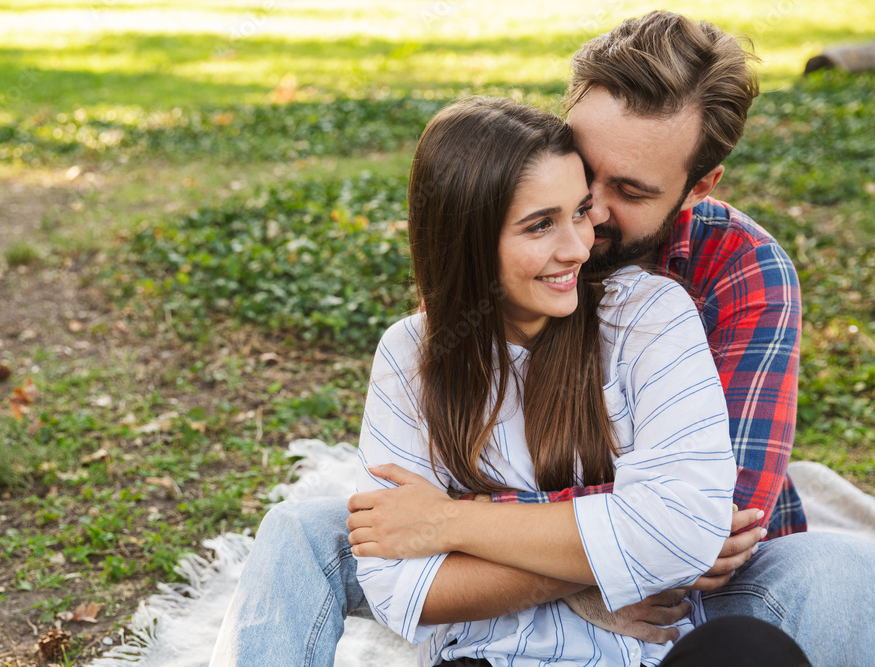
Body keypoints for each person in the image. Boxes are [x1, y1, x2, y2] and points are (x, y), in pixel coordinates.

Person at [211, 11, 875, 667]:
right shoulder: (497, 266)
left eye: (629, 189)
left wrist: (457, 522)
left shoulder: (736, 275)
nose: (591, 217)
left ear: (697, 187)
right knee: (301, 531)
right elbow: (451, 458)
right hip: (514, 580)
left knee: (839, 569)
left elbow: (707, 529)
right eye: (582, 170)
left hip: (691, 601)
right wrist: (599, 545)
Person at [344, 94, 808, 666]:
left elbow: (690, 532)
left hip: (650, 652)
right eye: (541, 225)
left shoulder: (649, 312)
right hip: (495, 655)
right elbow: (396, 589)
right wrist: (613, 551)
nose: (581, 246)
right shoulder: (411, 353)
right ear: (465, 239)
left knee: (750, 650)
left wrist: (450, 521)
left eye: (580, 211)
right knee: (298, 533)